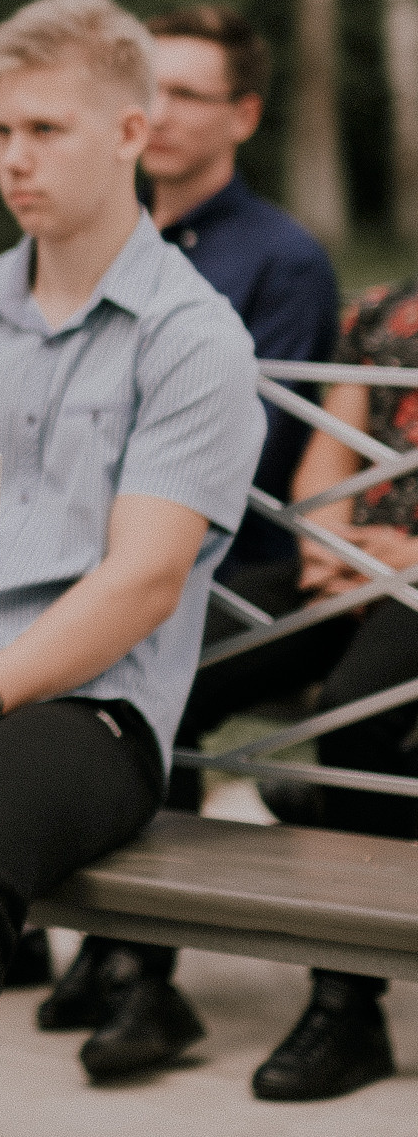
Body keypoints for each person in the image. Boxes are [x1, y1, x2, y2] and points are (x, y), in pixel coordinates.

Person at [0, 0, 264, 1102]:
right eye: (2, 130)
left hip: (94, 714)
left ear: (131, 134)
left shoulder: (194, 337)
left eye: (46, 130)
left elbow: (143, 582)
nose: (15, 157)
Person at [41, 4, 344, 1078]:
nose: (155, 114)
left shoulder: (283, 259)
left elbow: (247, 462)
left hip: (246, 559)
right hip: (116, 541)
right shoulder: (109, 237)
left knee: (137, 650)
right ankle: (73, 927)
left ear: (245, 115)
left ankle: (144, 975)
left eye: (187, 94)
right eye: (144, 90)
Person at [207, 283, 418, 1101]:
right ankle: (133, 970)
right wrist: (340, 543)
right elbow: (325, 465)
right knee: (180, 661)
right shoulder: (386, 312)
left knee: (352, 713)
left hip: (408, 575)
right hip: (353, 561)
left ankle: (348, 1003)